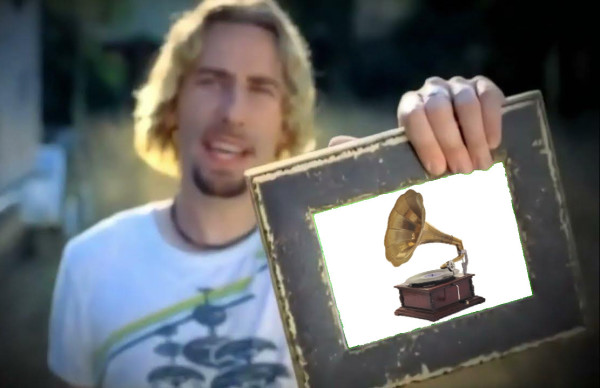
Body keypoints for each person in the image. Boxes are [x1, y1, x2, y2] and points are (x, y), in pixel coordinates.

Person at [47, 0, 505, 387]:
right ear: (173, 102)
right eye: (211, 80)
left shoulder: (330, 262)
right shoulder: (88, 264)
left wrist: (461, 133)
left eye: (260, 88)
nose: (233, 113)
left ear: (287, 121)